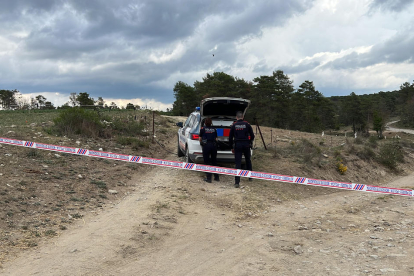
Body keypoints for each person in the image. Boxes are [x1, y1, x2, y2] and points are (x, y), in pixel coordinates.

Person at [229, 111, 255, 188]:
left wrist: (231, 146)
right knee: (248, 160)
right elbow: (252, 136)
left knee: (238, 162)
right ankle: (250, 177)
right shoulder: (247, 124)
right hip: (246, 144)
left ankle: (237, 182)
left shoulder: (234, 125)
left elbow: (230, 137)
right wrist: (249, 142)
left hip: (238, 145)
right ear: (243, 117)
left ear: (236, 118)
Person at [199, 117, 220, 183]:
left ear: (205, 123)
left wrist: (202, 143)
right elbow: (216, 139)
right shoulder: (214, 129)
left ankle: (209, 178)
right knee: (214, 161)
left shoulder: (202, 129)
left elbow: (200, 139)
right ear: (211, 123)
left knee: (207, 161)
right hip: (213, 146)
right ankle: (216, 177)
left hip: (206, 146)